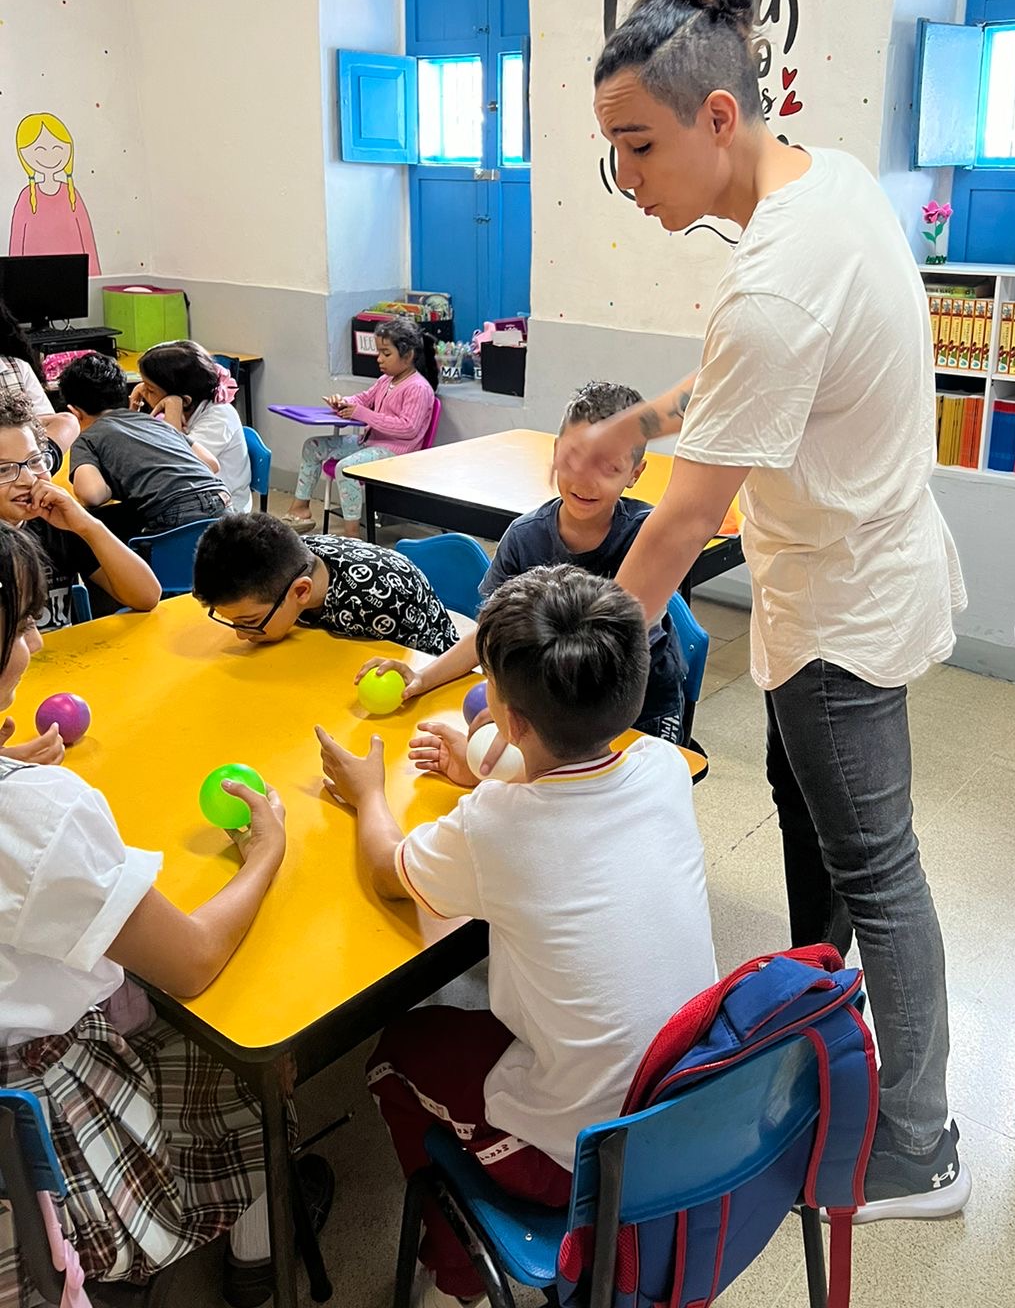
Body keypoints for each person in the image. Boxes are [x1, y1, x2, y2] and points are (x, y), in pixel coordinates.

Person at [560, 0, 969, 1220]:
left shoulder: (774, 283)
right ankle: (820, 1011)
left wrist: (563, 670)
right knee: (849, 851)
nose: (624, 179)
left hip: (838, 607)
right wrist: (643, 414)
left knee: (879, 868)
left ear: (719, 117)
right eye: (610, 148)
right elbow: (739, 382)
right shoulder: (825, 183)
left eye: (637, 146)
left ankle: (922, 1146)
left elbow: (682, 522)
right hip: (870, 565)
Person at [315, 566, 715, 1306]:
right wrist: (480, 772)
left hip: (585, 1159)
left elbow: (384, 871)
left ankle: (458, 1268)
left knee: (397, 1053)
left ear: (508, 715)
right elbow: (547, 797)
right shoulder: (662, 764)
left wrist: (371, 794)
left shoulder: (498, 824)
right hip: (690, 1103)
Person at [0, 528, 332, 1308]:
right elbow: (190, 958)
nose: (38, 639)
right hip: (43, 1122)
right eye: (20, 626)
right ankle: (249, 1260)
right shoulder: (38, 817)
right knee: (253, 1062)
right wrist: (266, 854)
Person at [354, 381, 688, 754]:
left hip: (642, 705)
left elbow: (615, 642)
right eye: (577, 458)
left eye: (609, 467)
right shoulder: (525, 537)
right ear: (558, 451)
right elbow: (489, 633)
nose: (585, 480)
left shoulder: (647, 537)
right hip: (556, 703)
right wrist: (421, 676)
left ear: (635, 473)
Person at [192, 511, 458, 655]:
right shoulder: (291, 561)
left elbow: (401, 671)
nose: (240, 635)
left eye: (250, 622)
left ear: (301, 591)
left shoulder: (375, 601)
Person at [0, 393, 161, 629]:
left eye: (35, 461)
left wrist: (87, 525)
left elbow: (146, 596)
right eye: (4, 470)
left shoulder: (56, 523)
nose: (28, 479)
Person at [284, 316, 438, 539]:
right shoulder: (387, 380)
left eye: (386, 353)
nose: (379, 359)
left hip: (396, 452)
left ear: (408, 355)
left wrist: (363, 414)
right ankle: (300, 509)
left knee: (346, 468)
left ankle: (352, 534)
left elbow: (408, 428)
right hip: (370, 442)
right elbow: (364, 399)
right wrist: (343, 402)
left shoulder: (418, 388)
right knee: (313, 446)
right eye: (379, 353)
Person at [59, 353, 229, 539]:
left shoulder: (87, 439)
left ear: (74, 412)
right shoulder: (155, 422)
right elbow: (211, 464)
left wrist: (115, 482)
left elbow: (91, 495)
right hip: (222, 500)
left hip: (172, 512)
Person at [133, 339, 253, 512]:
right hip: (192, 497)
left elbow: (176, 465)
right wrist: (134, 408)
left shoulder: (219, 417)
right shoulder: (186, 410)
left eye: (150, 389)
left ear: (184, 400)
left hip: (223, 510)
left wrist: (173, 410)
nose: (142, 391)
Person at [9, 112, 100, 275]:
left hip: (73, 278)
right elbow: (16, 247)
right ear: (24, 154)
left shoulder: (71, 195)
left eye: (57, 148)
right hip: (34, 280)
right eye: (39, 149)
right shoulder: (26, 198)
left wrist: (94, 279)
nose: (49, 155)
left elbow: (87, 243)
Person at [0, 297, 79, 457]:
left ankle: (40, 464)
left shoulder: (17, 368)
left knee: (67, 421)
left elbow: (48, 424)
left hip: (18, 463)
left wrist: (38, 461)